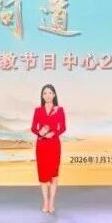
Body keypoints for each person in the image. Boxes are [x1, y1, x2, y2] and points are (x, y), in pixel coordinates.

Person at [31, 84, 66, 214]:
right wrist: (40, 133)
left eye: (50, 92)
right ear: (42, 96)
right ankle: (45, 202)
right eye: (45, 93)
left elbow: (63, 127)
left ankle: (51, 202)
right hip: (41, 145)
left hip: (54, 145)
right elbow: (33, 127)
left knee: (53, 175)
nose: (47, 95)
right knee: (43, 175)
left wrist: (53, 133)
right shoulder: (38, 110)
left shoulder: (59, 110)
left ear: (54, 95)